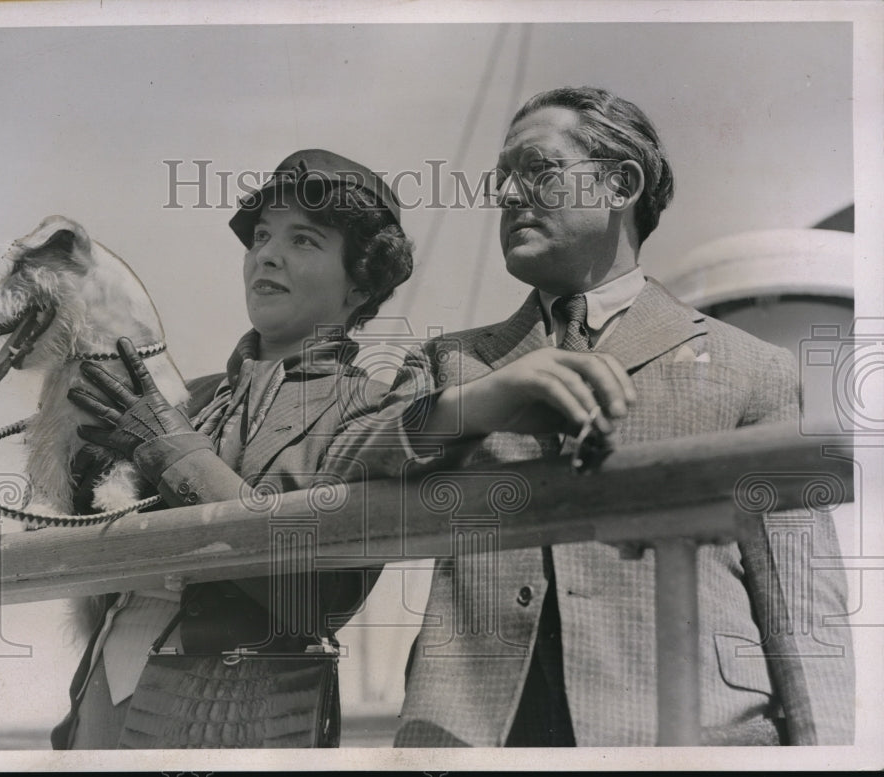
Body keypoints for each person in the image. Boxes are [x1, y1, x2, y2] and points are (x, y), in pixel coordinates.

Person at [345, 86, 855, 746]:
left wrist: (831, 754)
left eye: (536, 169)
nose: (506, 194)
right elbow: (341, 468)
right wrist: (484, 400)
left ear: (621, 182)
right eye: (502, 178)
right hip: (472, 735)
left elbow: (800, 599)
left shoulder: (753, 367)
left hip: (685, 734)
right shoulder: (452, 363)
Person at [50, 149, 414, 749]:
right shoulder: (181, 396)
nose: (266, 253)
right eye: (262, 236)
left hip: (239, 719)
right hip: (98, 703)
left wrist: (169, 452)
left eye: (304, 240)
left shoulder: (375, 408)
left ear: (362, 278)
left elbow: (320, 598)